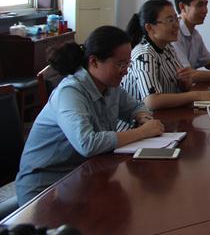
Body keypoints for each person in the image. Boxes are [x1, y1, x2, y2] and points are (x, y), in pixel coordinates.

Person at [15, 26, 165, 205]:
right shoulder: (70, 92)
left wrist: (143, 119)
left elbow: (137, 107)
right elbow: (87, 143)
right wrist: (143, 132)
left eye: (128, 64)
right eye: (120, 64)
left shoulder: (110, 85)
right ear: (93, 62)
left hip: (82, 176)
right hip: (46, 189)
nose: (126, 71)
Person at [121, 0, 210, 110]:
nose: (176, 25)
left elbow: (180, 87)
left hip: (166, 114)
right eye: (170, 21)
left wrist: (185, 82)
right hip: (141, 119)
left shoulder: (167, 47)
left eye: (176, 19)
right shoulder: (144, 55)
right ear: (150, 28)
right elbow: (152, 101)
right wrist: (196, 95)